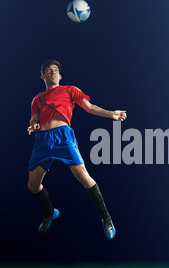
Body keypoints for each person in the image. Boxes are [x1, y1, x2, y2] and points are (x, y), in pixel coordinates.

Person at [27, 59, 126, 239]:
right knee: (33, 184)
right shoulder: (37, 98)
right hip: (43, 140)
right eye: (48, 70)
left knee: (83, 175)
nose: (53, 72)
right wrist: (33, 126)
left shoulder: (70, 90)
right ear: (43, 75)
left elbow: (90, 108)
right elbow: (34, 119)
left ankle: (106, 218)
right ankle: (50, 213)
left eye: (55, 70)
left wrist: (111, 113)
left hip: (63, 136)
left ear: (60, 75)